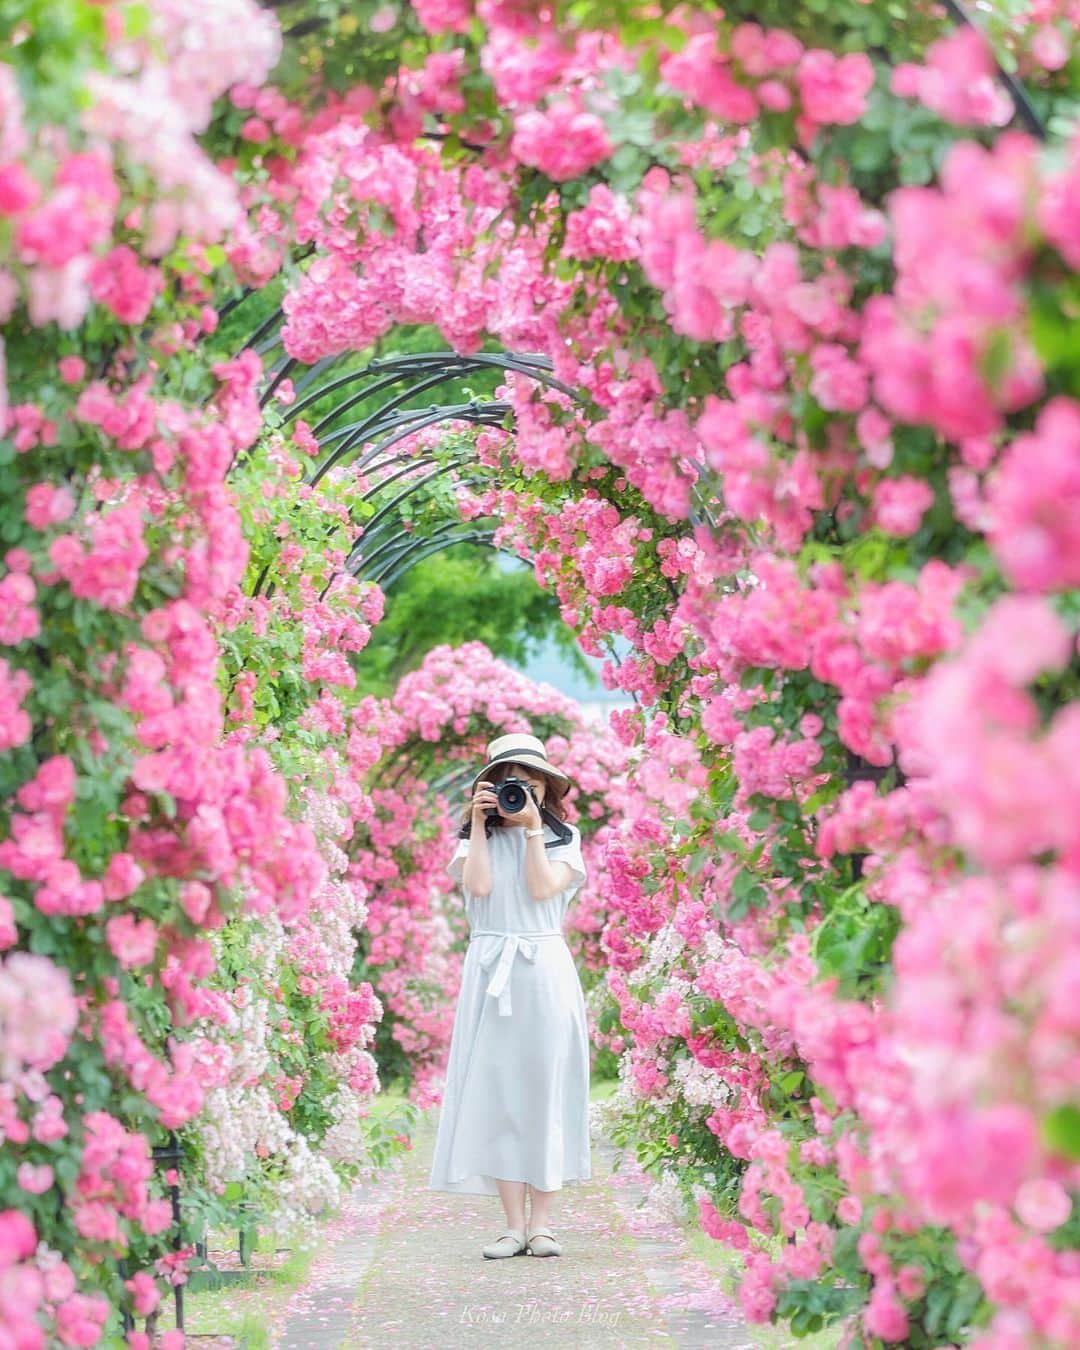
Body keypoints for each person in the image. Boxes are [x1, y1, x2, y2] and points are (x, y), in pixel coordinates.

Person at [427, 731, 592, 1260]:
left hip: (543, 966)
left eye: (530, 781)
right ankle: (511, 1225)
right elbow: (477, 888)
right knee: (498, 1093)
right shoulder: (474, 837)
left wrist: (528, 834)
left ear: (546, 789)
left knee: (545, 1088)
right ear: (490, 787)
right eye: (507, 782)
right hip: (489, 965)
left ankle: (542, 1225)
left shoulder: (565, 840)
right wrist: (479, 824)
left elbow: (543, 890)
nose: (519, 790)